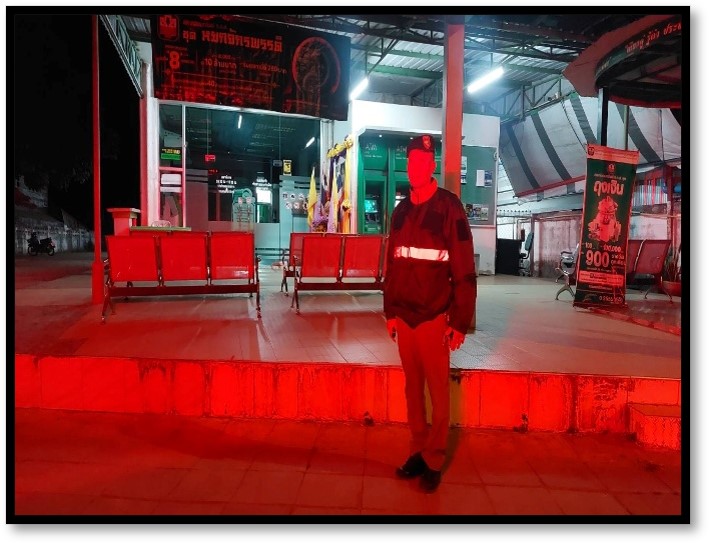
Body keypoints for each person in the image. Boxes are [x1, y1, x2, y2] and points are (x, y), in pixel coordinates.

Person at [383, 134, 477, 493]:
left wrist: (460, 322)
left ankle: (435, 459)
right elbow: (392, 265)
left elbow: (464, 268)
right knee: (412, 391)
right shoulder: (401, 212)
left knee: (438, 391)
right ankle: (417, 451)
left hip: (435, 316)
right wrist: (390, 311)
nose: (414, 168)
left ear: (431, 165)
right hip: (405, 317)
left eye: (421, 162)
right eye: (410, 162)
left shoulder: (449, 208)